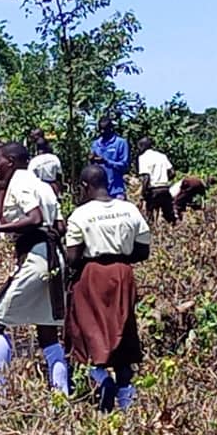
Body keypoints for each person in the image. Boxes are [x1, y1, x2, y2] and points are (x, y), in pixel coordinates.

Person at [0, 142, 69, 394]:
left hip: (36, 259)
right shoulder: (44, 186)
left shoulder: (20, 181)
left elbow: (34, 217)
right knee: (48, 332)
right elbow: (60, 227)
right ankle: (62, 394)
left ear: (12, 161)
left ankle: (2, 392)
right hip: (54, 258)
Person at [64, 164, 151, 411]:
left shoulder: (80, 214)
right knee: (122, 328)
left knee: (86, 328)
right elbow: (143, 250)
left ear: (85, 187)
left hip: (92, 275)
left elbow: (73, 258)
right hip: (123, 274)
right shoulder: (129, 209)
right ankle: (126, 400)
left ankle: (101, 377)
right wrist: (119, 257)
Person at [89, 117, 130, 200]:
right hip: (99, 191)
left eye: (105, 129)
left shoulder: (121, 143)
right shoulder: (96, 144)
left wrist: (106, 161)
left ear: (111, 129)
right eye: (100, 129)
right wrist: (91, 160)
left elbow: (124, 166)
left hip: (116, 190)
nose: (102, 132)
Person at [137, 138, 175, 224]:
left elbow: (146, 177)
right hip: (165, 189)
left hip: (153, 190)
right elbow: (172, 172)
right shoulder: (162, 156)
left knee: (150, 216)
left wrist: (142, 194)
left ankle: (152, 230)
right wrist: (164, 179)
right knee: (169, 217)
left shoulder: (143, 157)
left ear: (142, 146)